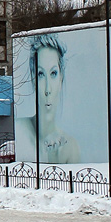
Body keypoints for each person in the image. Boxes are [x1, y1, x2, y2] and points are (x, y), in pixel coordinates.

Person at [28, 34, 80, 163]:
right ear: (33, 78)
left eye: (53, 73)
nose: (47, 89)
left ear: (61, 77)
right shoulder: (21, 129)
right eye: (41, 74)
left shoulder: (70, 148)